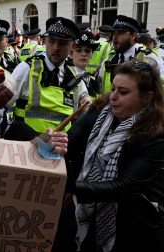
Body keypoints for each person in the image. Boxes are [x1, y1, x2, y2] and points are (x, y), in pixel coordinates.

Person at [63, 59, 164, 252]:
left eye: (123, 92)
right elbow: (71, 140)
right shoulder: (100, 111)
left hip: (135, 224)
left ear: (147, 98)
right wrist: (53, 143)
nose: (113, 97)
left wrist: (70, 187)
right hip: (90, 211)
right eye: (113, 88)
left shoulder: (156, 134)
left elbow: (122, 187)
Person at [8, 17, 89, 133]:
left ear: (73, 46)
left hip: (60, 147)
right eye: (52, 41)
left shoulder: (75, 77)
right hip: (27, 146)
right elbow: (3, 105)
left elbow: (83, 114)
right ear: (45, 41)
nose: (56, 47)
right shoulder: (26, 69)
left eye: (62, 43)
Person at [98, 15, 164, 94]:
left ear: (133, 35)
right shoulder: (109, 59)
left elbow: (160, 86)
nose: (115, 37)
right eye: (113, 33)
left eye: (120, 33)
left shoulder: (149, 57)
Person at [70, 31, 100, 98]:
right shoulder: (67, 77)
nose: (83, 54)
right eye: (79, 50)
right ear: (71, 54)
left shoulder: (93, 79)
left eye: (88, 51)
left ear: (92, 54)